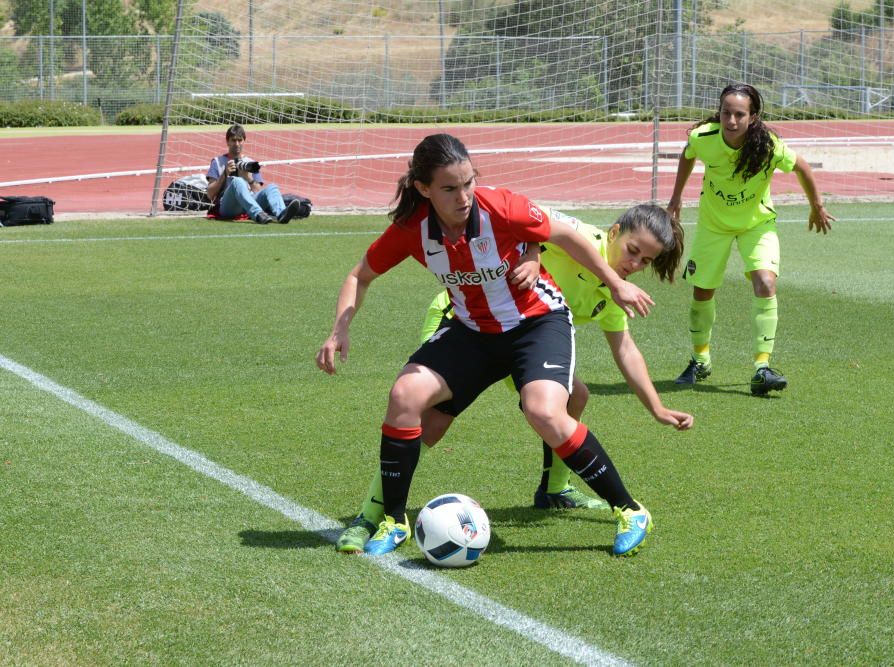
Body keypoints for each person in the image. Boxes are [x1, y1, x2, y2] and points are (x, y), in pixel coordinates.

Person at [316, 133, 657, 557]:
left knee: (543, 411)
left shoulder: (500, 205)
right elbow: (358, 275)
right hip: (473, 331)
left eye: (468, 183)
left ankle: (628, 509)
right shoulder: (412, 229)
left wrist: (616, 283)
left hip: (537, 322)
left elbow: (566, 235)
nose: (463, 196)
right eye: (449, 188)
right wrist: (339, 329)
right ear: (423, 189)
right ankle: (392, 519)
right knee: (406, 395)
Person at [666, 83, 835, 396]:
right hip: (713, 225)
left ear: (753, 117)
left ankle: (762, 367)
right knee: (702, 291)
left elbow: (801, 166)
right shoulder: (702, 138)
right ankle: (700, 360)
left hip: (756, 224)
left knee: (766, 283)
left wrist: (817, 206)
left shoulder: (768, 145)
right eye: (726, 113)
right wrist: (676, 198)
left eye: (739, 115)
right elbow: (687, 156)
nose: (731, 120)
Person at [205, 123, 300, 225]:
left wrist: (249, 178)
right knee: (238, 181)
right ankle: (258, 214)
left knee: (272, 187)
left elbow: (258, 191)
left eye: (240, 140)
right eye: (233, 140)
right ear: (227, 142)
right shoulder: (218, 161)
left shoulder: (250, 163)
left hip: (247, 204)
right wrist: (224, 174)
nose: (237, 144)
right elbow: (210, 194)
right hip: (228, 206)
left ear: (244, 141)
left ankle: (281, 214)